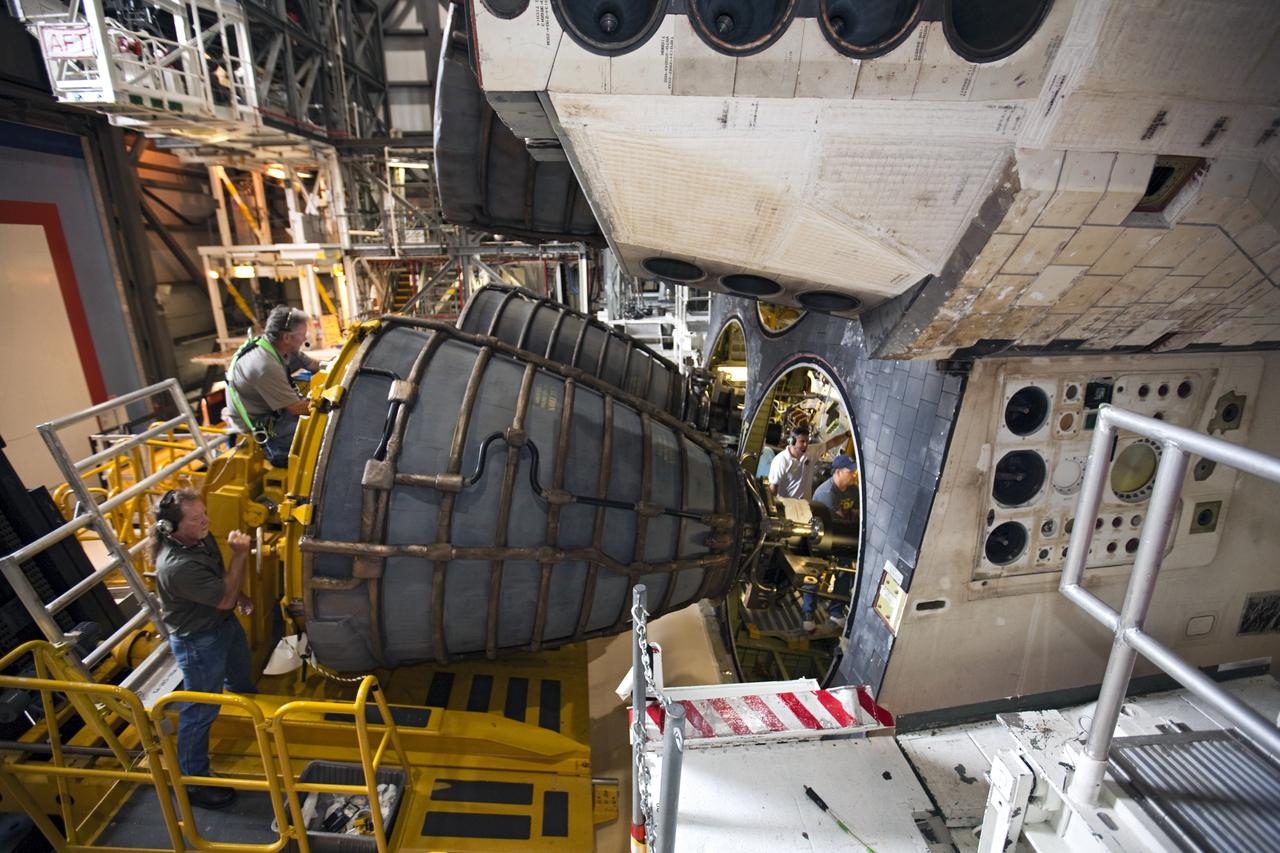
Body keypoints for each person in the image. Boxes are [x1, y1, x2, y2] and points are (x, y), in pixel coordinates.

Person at [152, 489, 256, 809]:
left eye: (205, 514)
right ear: (172, 528)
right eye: (197, 519)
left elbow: (219, 582)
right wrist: (240, 556)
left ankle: (247, 725)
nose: (206, 521)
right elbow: (221, 595)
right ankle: (192, 782)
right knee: (200, 710)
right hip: (199, 641)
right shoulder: (176, 566)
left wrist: (238, 596)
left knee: (241, 679)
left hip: (222, 624)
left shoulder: (199, 538)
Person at [226, 305, 319, 467]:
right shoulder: (264, 365)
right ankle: (281, 456)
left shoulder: (283, 348)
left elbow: (313, 365)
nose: (305, 339)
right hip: (263, 428)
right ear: (287, 338)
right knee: (320, 436)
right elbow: (296, 408)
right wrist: (334, 406)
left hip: (274, 410)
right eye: (303, 335)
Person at [807, 453, 860, 627]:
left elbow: (856, 514)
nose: (854, 474)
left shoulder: (853, 490)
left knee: (845, 570)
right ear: (837, 472)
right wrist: (850, 515)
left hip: (841, 538)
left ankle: (836, 612)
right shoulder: (826, 494)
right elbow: (844, 518)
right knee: (813, 571)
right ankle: (808, 614)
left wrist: (851, 516)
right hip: (821, 540)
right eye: (850, 471)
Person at [768, 425, 813, 499]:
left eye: (807, 441)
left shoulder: (808, 453)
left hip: (802, 503)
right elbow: (773, 487)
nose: (806, 445)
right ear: (792, 441)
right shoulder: (781, 461)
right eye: (802, 441)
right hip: (786, 504)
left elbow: (829, 444)